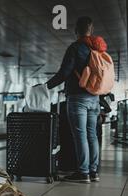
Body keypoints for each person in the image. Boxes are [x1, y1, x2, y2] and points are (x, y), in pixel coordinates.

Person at [46, 16, 105, 183]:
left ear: (76, 31)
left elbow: (64, 73)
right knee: (92, 135)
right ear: (91, 30)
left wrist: (46, 86)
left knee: (80, 136)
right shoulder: (98, 49)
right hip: (94, 98)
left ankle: (83, 172)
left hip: (78, 98)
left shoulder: (75, 47)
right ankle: (94, 172)